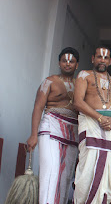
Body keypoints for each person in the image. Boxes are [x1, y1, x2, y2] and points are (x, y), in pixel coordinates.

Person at [26, 47, 80, 204]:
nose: (67, 64)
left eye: (71, 61)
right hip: (51, 127)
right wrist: (33, 134)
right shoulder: (50, 81)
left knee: (65, 176)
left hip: (73, 131)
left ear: (77, 65)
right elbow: (38, 107)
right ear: (59, 63)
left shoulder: (81, 85)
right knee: (51, 172)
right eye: (64, 61)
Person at [73, 46, 111, 204]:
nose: (102, 60)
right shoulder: (84, 75)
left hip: (110, 126)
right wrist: (100, 118)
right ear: (92, 59)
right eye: (99, 57)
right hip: (90, 124)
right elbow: (78, 102)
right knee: (87, 167)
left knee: (108, 167)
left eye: (106, 57)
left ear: (110, 61)